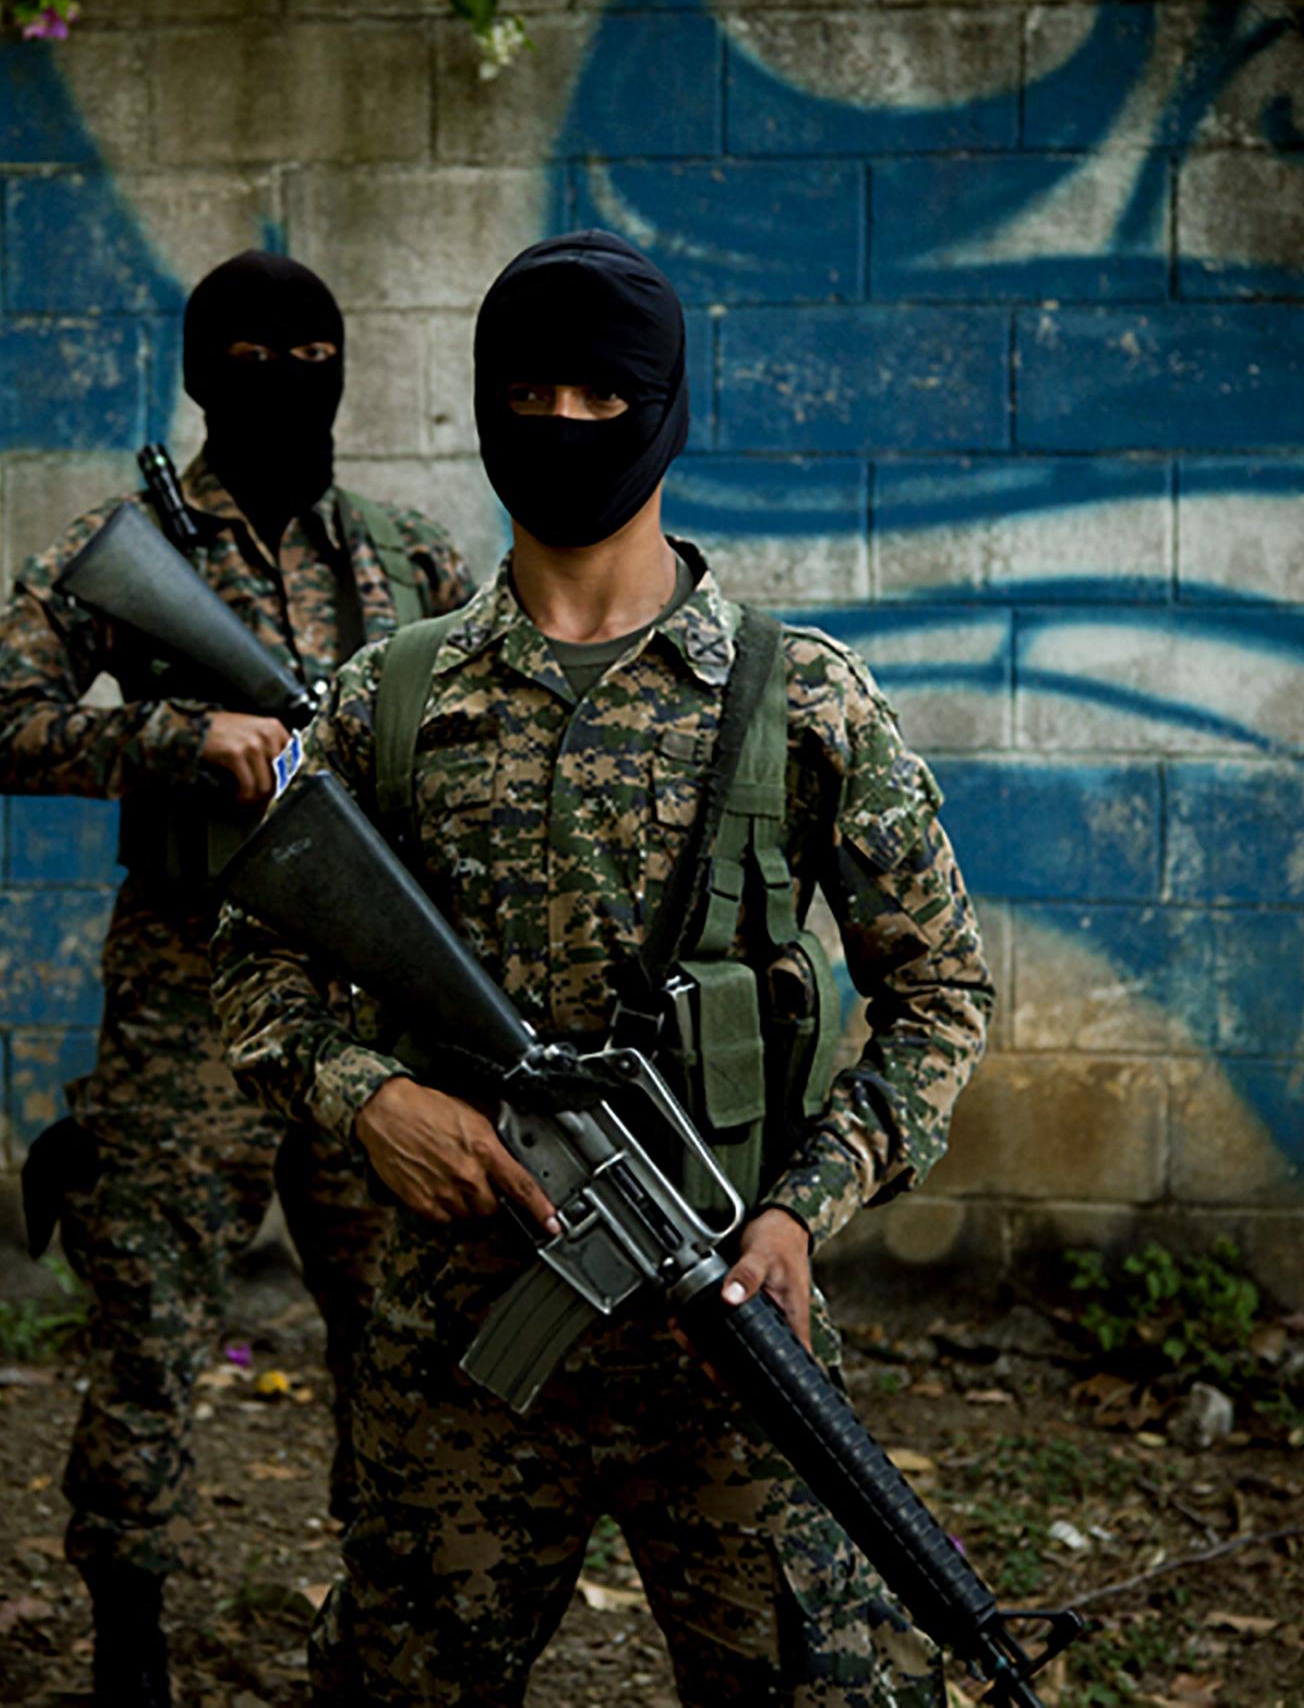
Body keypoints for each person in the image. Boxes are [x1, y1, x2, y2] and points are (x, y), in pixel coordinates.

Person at [213, 229, 989, 1707]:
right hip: (465, 1340)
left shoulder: (800, 695)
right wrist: (369, 1098)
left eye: (603, 394)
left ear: (671, 409)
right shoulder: (391, 695)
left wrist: (801, 1214)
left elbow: (943, 992)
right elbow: (257, 963)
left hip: (733, 1341)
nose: (564, 423)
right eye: (530, 391)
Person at [0, 249, 475, 1708]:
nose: (286, 375)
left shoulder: (413, 553)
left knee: (402, 1328)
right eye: (250, 353)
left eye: (312, 351)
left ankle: (386, 1624)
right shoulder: (133, 549)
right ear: (199, 373)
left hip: (374, 1000)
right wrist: (185, 740)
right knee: (152, 1321)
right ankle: (131, 1640)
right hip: (191, 990)